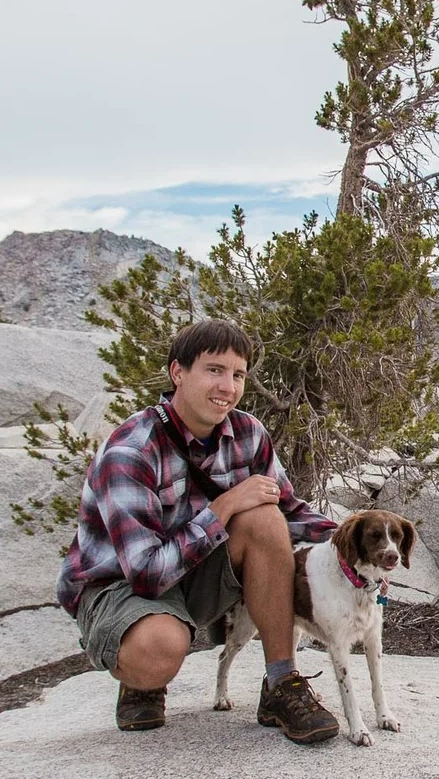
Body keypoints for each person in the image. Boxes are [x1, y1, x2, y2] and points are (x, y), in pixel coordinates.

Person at [56, 317, 341, 740]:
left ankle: (281, 683)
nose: (228, 387)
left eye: (238, 374)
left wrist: (353, 548)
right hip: (121, 589)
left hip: (192, 572)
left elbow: (291, 511)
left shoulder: (248, 434)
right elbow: (147, 575)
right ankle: (139, 681)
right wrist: (222, 507)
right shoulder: (130, 450)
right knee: (159, 651)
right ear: (178, 373)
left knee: (264, 517)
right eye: (214, 370)